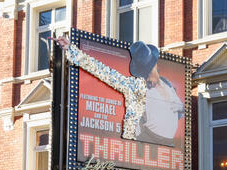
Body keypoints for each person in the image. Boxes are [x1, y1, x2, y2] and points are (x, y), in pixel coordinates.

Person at [53, 37, 184, 147]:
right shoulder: (135, 85)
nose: (148, 78)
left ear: (155, 65)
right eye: (144, 73)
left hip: (168, 145)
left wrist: (180, 108)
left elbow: (178, 112)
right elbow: (103, 71)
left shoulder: (168, 84)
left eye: (149, 72)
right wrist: (71, 49)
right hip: (147, 142)